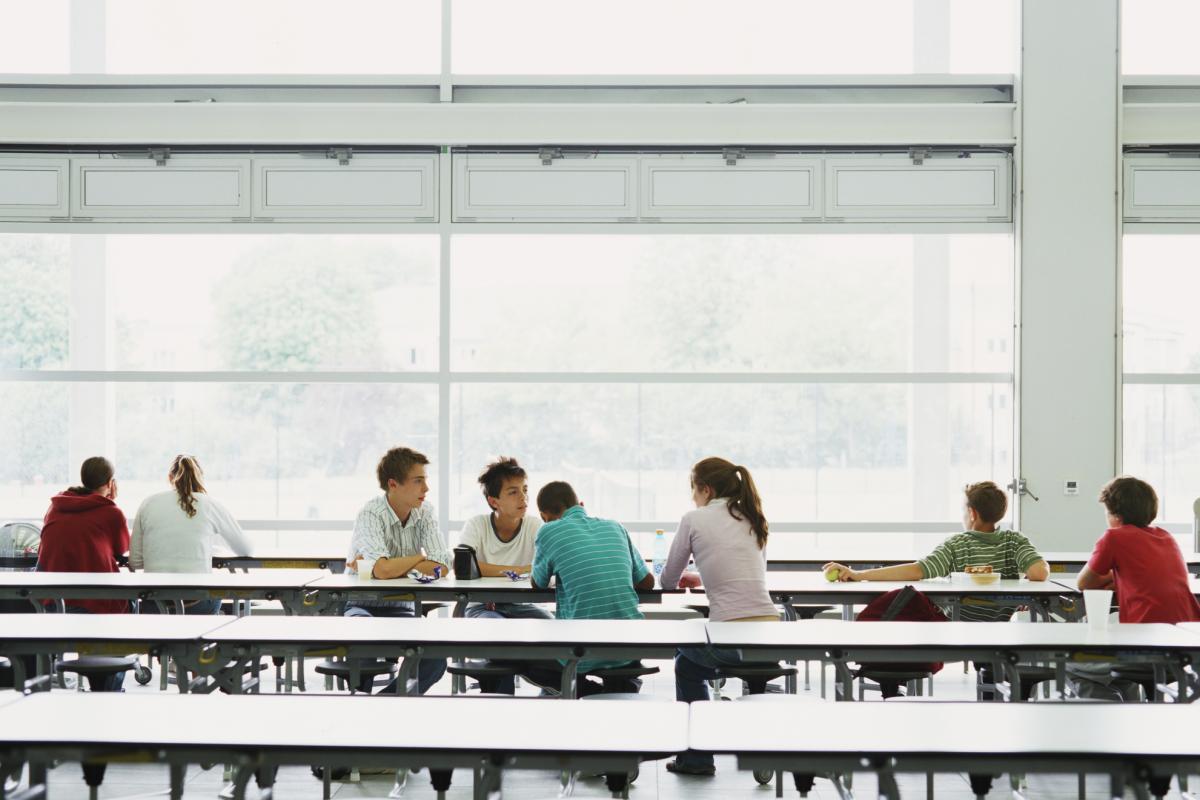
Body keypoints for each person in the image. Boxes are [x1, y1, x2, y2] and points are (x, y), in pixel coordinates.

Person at [660, 457, 781, 776]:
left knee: (684, 661)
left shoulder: (694, 518)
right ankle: (757, 745)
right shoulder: (753, 517)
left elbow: (668, 580)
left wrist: (687, 577)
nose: (692, 498)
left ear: (706, 489)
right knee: (690, 656)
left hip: (730, 638)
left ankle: (698, 757)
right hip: (770, 635)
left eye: (693, 490)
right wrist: (703, 578)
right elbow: (749, 576)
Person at [824, 481, 1049, 622]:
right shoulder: (1013, 541)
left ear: (972, 514)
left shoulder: (957, 544)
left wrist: (859, 575)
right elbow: (1040, 572)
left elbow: (917, 571)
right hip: (1000, 632)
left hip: (957, 631)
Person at [518, 481, 654, 696]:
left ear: (544, 516)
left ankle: (585, 692)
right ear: (581, 504)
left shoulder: (549, 530)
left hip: (579, 650)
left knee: (524, 658)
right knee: (617, 666)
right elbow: (648, 582)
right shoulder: (615, 526)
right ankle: (620, 688)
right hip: (629, 646)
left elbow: (539, 583)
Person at [1070, 476, 1200, 700]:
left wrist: (1114, 577)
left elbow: (1083, 583)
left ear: (1115, 515)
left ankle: (1111, 724)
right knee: (1118, 672)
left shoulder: (1113, 537)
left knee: (1073, 665)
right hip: (1186, 647)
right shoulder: (1166, 537)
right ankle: (1130, 712)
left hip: (1145, 647)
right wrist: (1120, 577)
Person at [344, 446, 450, 694]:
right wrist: (419, 558)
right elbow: (382, 571)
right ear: (393, 484)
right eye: (418, 481)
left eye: (425, 480)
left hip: (403, 608)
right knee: (363, 639)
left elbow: (442, 566)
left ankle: (386, 703)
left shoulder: (425, 512)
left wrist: (390, 565)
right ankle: (361, 704)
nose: (426, 489)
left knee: (436, 659)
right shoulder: (371, 514)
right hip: (360, 605)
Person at [457, 457, 552, 694]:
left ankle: (552, 695)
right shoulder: (477, 525)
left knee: (557, 636)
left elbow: (546, 567)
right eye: (513, 492)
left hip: (522, 605)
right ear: (494, 501)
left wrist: (488, 568)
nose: (523, 498)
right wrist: (519, 571)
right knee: (499, 639)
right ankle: (501, 699)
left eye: (525, 490)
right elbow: (464, 566)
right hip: (483, 607)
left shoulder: (534, 526)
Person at [37, 456, 130, 690]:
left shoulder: (55, 507)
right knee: (127, 616)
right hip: (96, 603)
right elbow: (122, 549)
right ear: (110, 482)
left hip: (52, 601)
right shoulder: (111, 512)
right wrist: (111, 502)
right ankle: (108, 690)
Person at [130, 454, 252, 614]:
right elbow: (245, 549)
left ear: (170, 478)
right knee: (216, 595)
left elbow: (135, 562)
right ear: (200, 477)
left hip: (154, 604)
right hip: (197, 603)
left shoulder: (149, 503)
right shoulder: (210, 504)